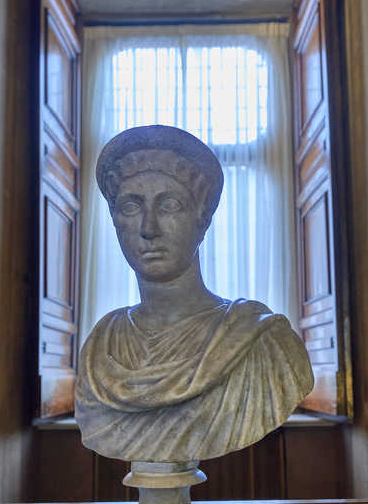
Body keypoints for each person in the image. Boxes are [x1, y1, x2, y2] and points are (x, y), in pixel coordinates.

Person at [75, 125, 314, 463]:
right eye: (131, 207)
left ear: (203, 219)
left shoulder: (261, 341)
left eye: (169, 205)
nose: (148, 228)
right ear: (115, 220)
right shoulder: (101, 347)